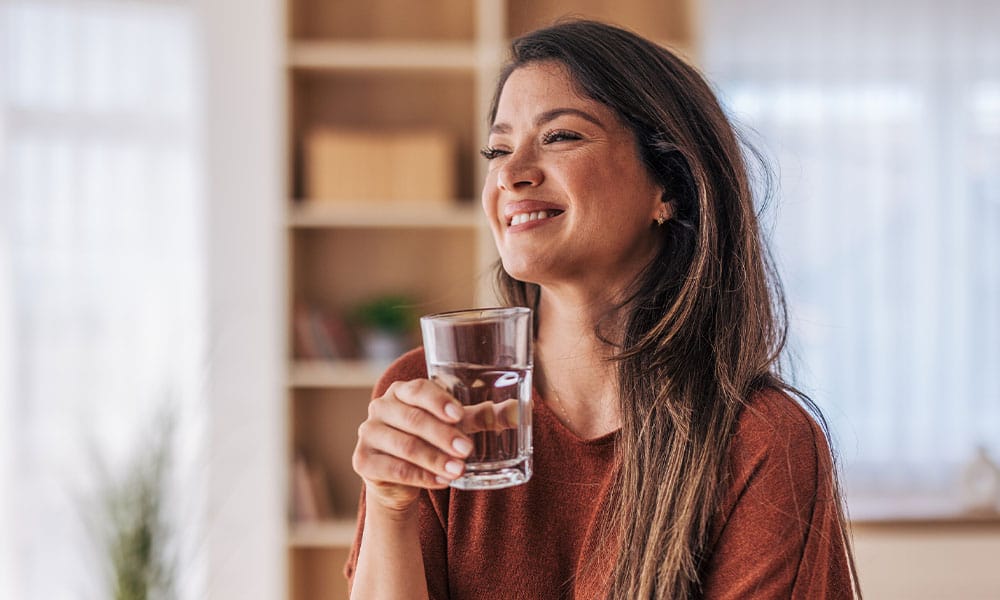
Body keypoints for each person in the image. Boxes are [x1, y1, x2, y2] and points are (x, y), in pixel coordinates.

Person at [346, 19, 859, 600]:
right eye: (498, 149)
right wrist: (390, 505)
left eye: (561, 137)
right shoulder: (427, 396)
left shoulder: (762, 440)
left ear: (670, 186)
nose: (512, 175)